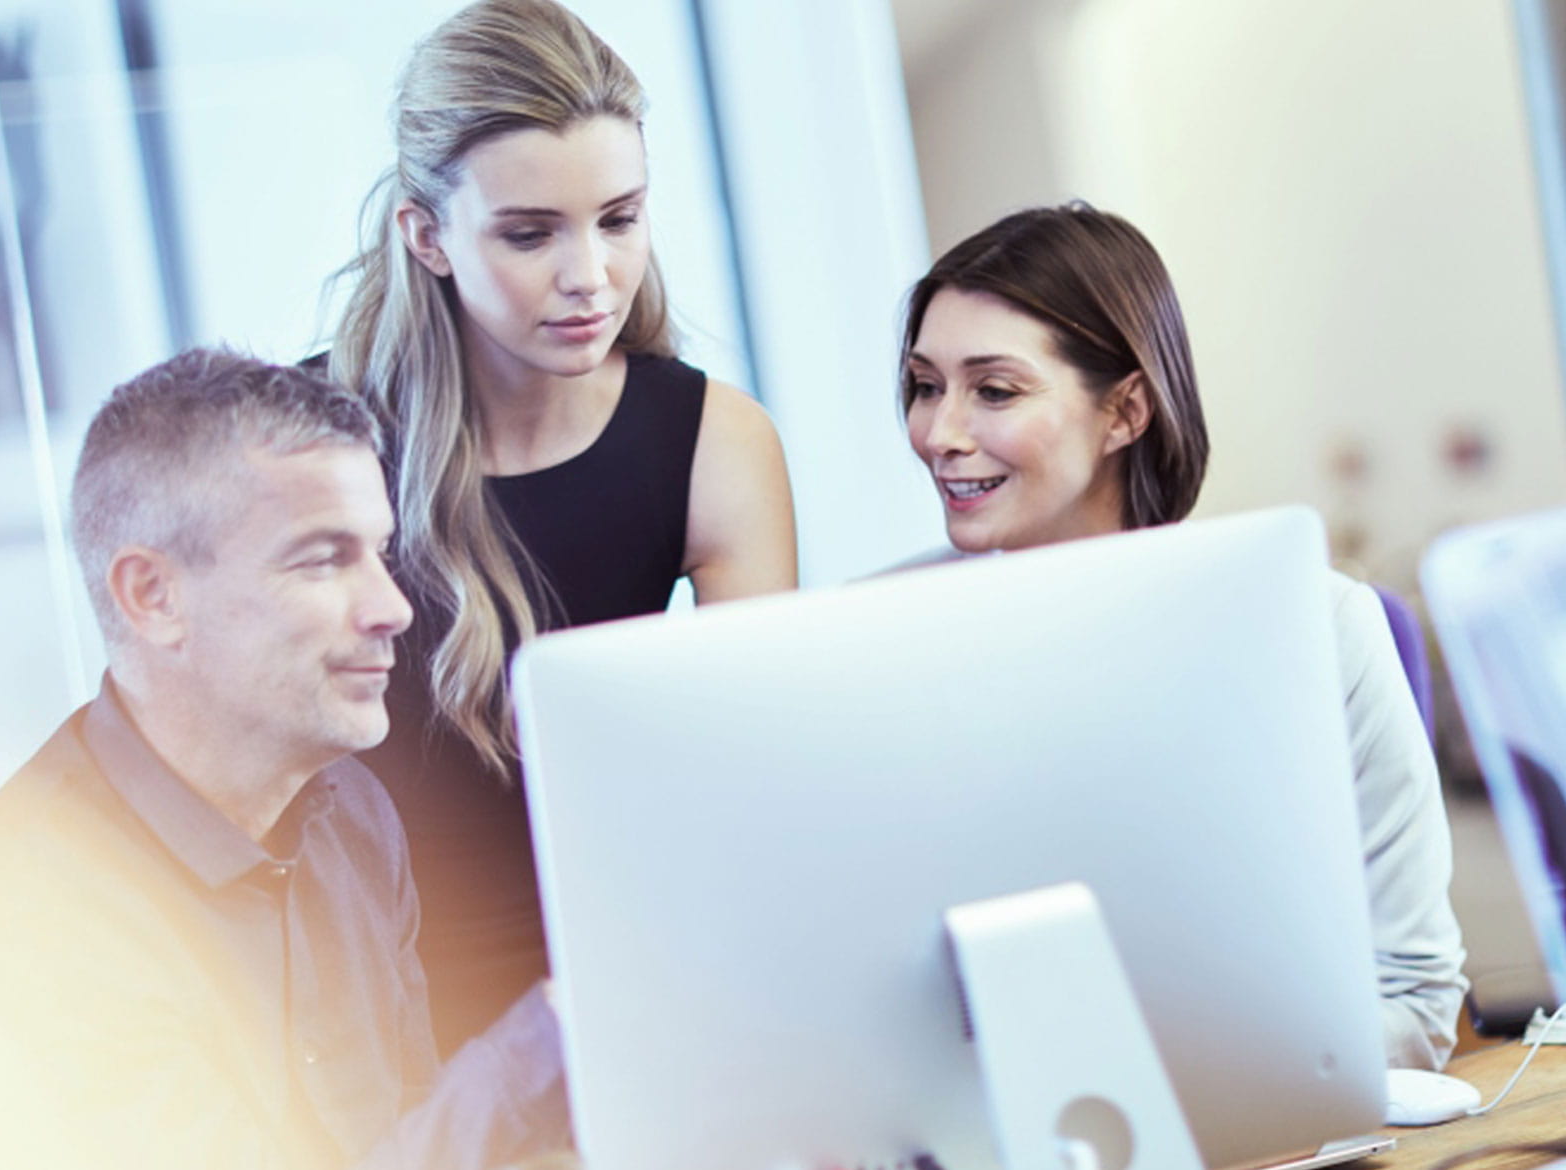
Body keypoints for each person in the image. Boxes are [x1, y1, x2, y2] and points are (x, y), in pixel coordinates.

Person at [0, 350, 571, 1170]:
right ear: (153, 596)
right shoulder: (26, 924)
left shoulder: (356, 812)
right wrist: (543, 1054)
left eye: (379, 554)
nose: (392, 609)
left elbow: (407, 1133)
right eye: (320, 560)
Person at [892, 203, 1469, 1069]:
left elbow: (1415, 1004)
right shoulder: (879, 647)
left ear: (1125, 411)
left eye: (995, 390)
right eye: (926, 386)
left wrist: (1182, 1091)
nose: (940, 434)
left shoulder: (1316, 629)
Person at [323, 0, 798, 1053]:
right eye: (531, 234)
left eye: (619, 219)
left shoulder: (713, 443)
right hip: (365, 1029)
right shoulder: (310, 447)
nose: (590, 277)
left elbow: (760, 790)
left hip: (620, 1008)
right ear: (427, 236)